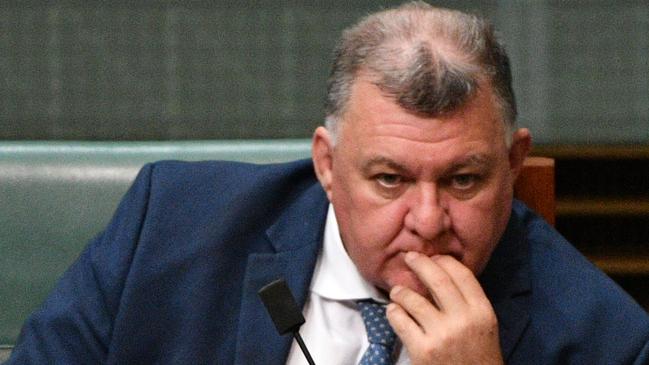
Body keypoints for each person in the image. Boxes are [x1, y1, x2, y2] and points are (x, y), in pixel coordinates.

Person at [5, 2, 648, 364]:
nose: (428, 220)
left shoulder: (604, 339)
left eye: (464, 180)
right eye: (390, 179)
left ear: (512, 165)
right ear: (326, 164)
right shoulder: (167, 225)